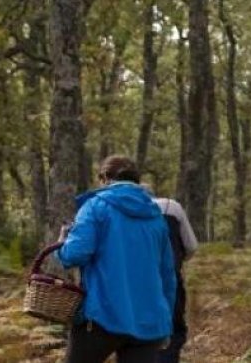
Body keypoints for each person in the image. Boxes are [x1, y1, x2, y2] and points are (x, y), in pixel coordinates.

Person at [57, 155, 177, 363]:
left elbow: (74, 254)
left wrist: (62, 244)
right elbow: (167, 275)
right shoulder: (156, 216)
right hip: (148, 322)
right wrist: (166, 325)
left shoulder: (94, 207)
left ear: (104, 178)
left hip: (101, 316)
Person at [151, 192, 198, 363]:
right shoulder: (172, 207)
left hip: (132, 285)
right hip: (170, 279)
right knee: (171, 329)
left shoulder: (110, 209)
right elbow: (191, 246)